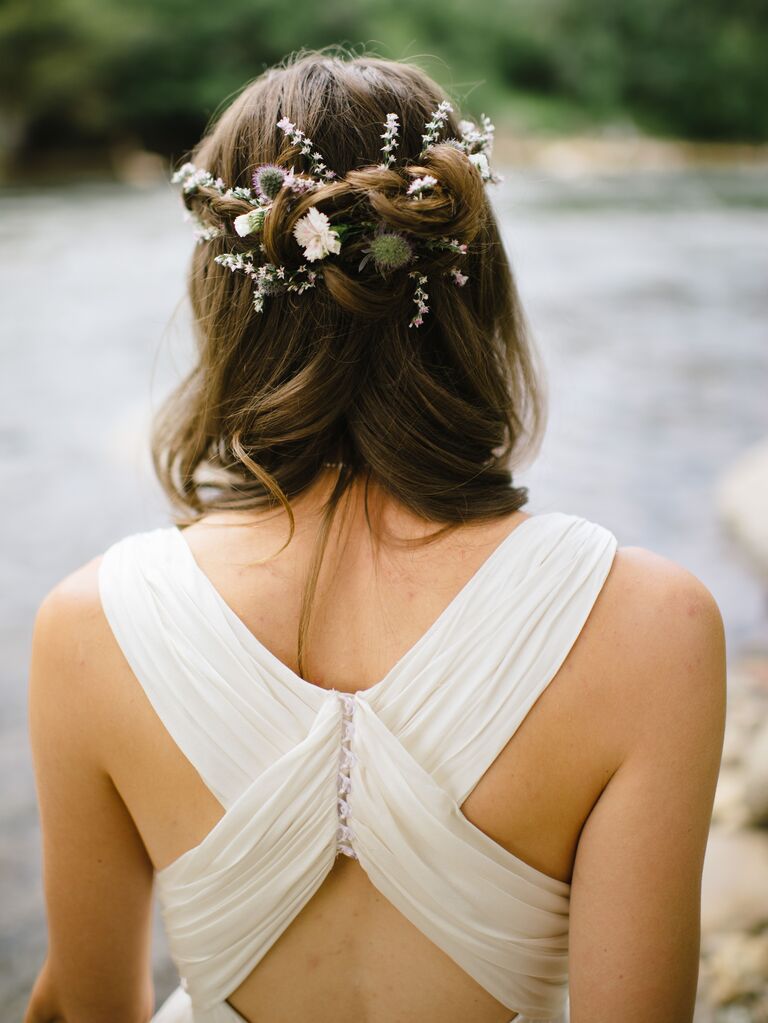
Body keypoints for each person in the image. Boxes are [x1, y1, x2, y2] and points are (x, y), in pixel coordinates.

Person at [24, 48, 726, 1023]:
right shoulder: (652, 622)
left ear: (224, 297)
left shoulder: (87, 624)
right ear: (473, 287)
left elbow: (92, 1006)